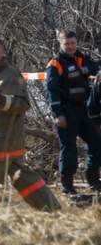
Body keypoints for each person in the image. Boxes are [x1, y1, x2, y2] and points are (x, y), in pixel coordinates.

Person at [0, 37, 60, 216]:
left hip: (3, 140)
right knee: (22, 177)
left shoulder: (11, 75)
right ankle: (52, 209)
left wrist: (1, 100)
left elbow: (23, 105)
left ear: (3, 52)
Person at [46, 29, 101, 195]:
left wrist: (86, 70)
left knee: (96, 144)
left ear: (76, 43)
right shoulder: (55, 63)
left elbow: (98, 66)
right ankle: (67, 187)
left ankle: (93, 181)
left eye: (72, 43)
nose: (70, 47)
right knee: (68, 149)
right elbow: (51, 91)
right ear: (60, 44)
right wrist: (57, 114)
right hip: (66, 110)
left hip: (84, 110)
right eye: (66, 44)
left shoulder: (82, 56)